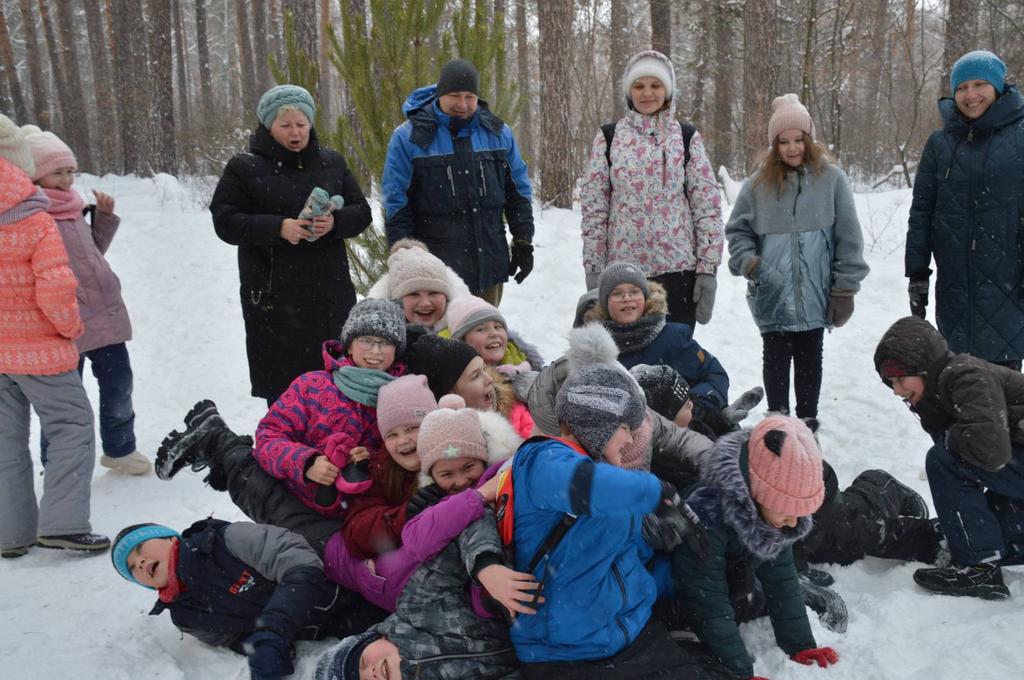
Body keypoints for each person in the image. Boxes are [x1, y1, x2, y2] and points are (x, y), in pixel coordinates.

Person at [509, 357, 728, 679]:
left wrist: (668, 542)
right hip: (562, 654)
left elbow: (623, 558)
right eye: (625, 427)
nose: (629, 439)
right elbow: (584, 485)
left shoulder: (612, 479)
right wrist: (657, 493)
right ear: (597, 425)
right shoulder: (541, 459)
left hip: (632, 634)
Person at [210, 84, 373, 404]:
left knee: (336, 384)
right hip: (274, 296)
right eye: (285, 125)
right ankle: (286, 450)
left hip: (329, 292)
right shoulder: (244, 167)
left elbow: (362, 211)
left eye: (301, 124)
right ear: (268, 126)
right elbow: (225, 221)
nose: (295, 132)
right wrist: (278, 228)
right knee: (286, 391)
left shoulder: (332, 162)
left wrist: (335, 222)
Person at [0, 121, 109, 558]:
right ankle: (63, 523)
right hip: (42, 349)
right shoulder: (34, 217)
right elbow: (55, 286)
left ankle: (11, 531)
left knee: (6, 438)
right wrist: (70, 328)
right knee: (72, 427)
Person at [726, 93, 869, 423]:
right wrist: (752, 264)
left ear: (810, 139)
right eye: (783, 142)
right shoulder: (757, 185)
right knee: (775, 358)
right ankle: (777, 425)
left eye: (798, 140)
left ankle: (806, 427)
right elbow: (737, 233)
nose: (792, 148)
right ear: (773, 145)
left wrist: (844, 289)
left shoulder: (832, 181)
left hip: (815, 297)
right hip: (772, 295)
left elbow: (849, 239)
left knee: (810, 359)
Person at [22, 126, 150, 475]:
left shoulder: (75, 207)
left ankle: (120, 449)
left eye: (69, 171)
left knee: (119, 386)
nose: (66, 179)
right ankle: (60, 461)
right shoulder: (31, 215)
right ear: (34, 174)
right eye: (57, 172)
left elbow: (91, 254)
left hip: (104, 316)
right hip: (64, 324)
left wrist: (104, 218)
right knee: (66, 402)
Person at [674, 416, 840, 679]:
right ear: (760, 490)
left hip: (730, 578)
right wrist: (739, 671)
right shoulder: (708, 514)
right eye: (787, 511)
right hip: (682, 595)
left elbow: (782, 575)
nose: (793, 521)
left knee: (764, 591)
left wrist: (800, 645)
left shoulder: (772, 513)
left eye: (799, 513)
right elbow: (709, 601)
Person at [111, 520, 383, 680]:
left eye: (140, 549)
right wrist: (260, 649)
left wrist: (273, 631)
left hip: (351, 592)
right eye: (133, 567)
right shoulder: (185, 616)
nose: (141, 562)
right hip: (332, 631)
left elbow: (301, 564)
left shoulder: (225, 540)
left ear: (171, 538)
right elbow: (229, 638)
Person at [875, 315, 1024, 599]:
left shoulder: (964, 374)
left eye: (901, 379)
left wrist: (950, 436)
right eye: (890, 382)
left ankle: (979, 567)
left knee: (942, 459)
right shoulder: (933, 393)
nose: (896, 391)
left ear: (924, 368)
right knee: (993, 536)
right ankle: (986, 555)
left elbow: (991, 453)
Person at [580, 50, 723, 327]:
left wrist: (707, 270)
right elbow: (594, 211)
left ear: (668, 91)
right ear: (629, 92)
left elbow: (707, 209)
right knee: (628, 364)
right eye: (639, 85)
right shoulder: (608, 138)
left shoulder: (686, 137)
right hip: (624, 279)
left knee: (674, 360)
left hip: (679, 274)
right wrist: (595, 271)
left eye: (655, 85)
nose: (647, 93)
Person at [382, 58, 535, 305]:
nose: (462, 104)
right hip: (434, 272)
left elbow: (518, 193)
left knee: (482, 338)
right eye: (454, 95)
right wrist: (404, 256)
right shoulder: (409, 137)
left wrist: (523, 241)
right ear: (440, 94)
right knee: (439, 342)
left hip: (488, 263)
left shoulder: (498, 132)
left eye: (469, 96)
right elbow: (396, 204)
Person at [906, 50, 1024, 371]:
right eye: (961, 87)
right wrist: (917, 274)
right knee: (957, 394)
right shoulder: (941, 143)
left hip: (1009, 291)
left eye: (979, 84)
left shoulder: (1020, 137)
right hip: (955, 294)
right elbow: (922, 214)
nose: (970, 95)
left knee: (1003, 404)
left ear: (998, 87)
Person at [251, 298, 407, 516]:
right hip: (291, 507)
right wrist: (306, 463)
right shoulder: (312, 385)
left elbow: (403, 458)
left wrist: (369, 460)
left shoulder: (400, 397)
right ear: (349, 345)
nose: (376, 351)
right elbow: (268, 437)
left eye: (386, 343)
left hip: (356, 517)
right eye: (366, 340)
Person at [592, 262, 734, 429]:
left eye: (634, 292)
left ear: (645, 298)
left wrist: (696, 408)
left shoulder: (672, 337)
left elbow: (713, 374)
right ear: (605, 303)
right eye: (617, 294)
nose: (627, 298)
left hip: (686, 432)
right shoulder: (598, 351)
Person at [366, 238, 473, 332]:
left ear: (447, 297)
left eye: (434, 292)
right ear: (397, 302)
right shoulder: (383, 346)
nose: (425, 303)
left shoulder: (469, 333)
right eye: (413, 294)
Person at [442, 296, 544, 373]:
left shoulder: (519, 358)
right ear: (462, 341)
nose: (494, 333)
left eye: (498, 327)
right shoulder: (458, 378)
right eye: (481, 329)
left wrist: (523, 371)